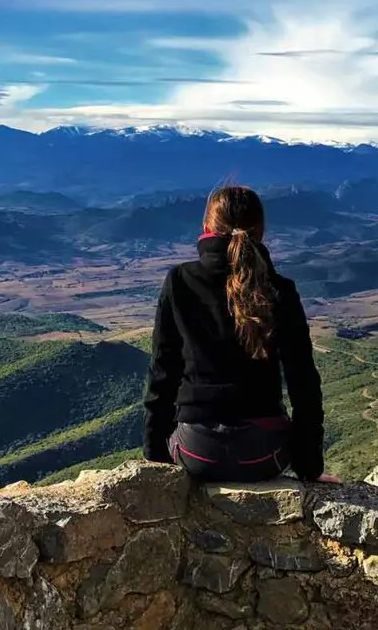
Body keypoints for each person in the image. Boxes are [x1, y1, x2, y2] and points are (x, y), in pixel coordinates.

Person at [142, 185, 337, 483]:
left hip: (197, 452)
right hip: (265, 454)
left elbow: (163, 373)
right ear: (260, 230)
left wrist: (155, 460)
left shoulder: (179, 281)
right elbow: (304, 383)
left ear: (207, 227)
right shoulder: (280, 289)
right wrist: (309, 468)